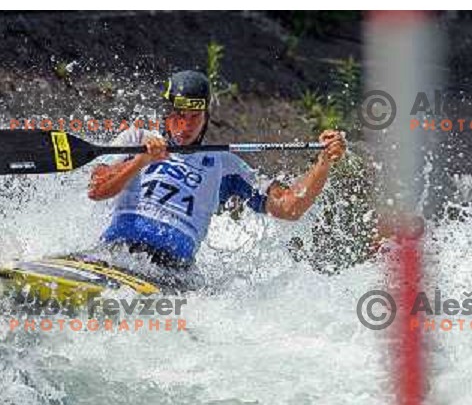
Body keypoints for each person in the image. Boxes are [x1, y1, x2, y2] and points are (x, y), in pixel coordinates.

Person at [88, 70, 346, 270]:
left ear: (205, 118)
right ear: (166, 114)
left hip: (172, 271)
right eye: (179, 115)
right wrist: (140, 161)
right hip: (116, 253)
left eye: (194, 118)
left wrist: (324, 161)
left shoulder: (224, 164)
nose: (186, 126)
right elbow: (97, 190)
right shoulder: (135, 138)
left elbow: (290, 207)